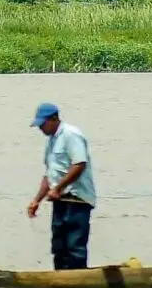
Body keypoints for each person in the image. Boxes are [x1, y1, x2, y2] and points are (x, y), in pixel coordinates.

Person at [24, 103, 97, 270]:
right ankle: (61, 283)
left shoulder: (71, 134)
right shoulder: (51, 141)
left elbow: (79, 164)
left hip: (77, 199)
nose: (40, 128)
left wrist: (57, 188)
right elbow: (50, 174)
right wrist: (37, 200)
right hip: (60, 200)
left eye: (43, 124)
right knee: (58, 248)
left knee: (74, 247)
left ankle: (78, 285)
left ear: (54, 119)